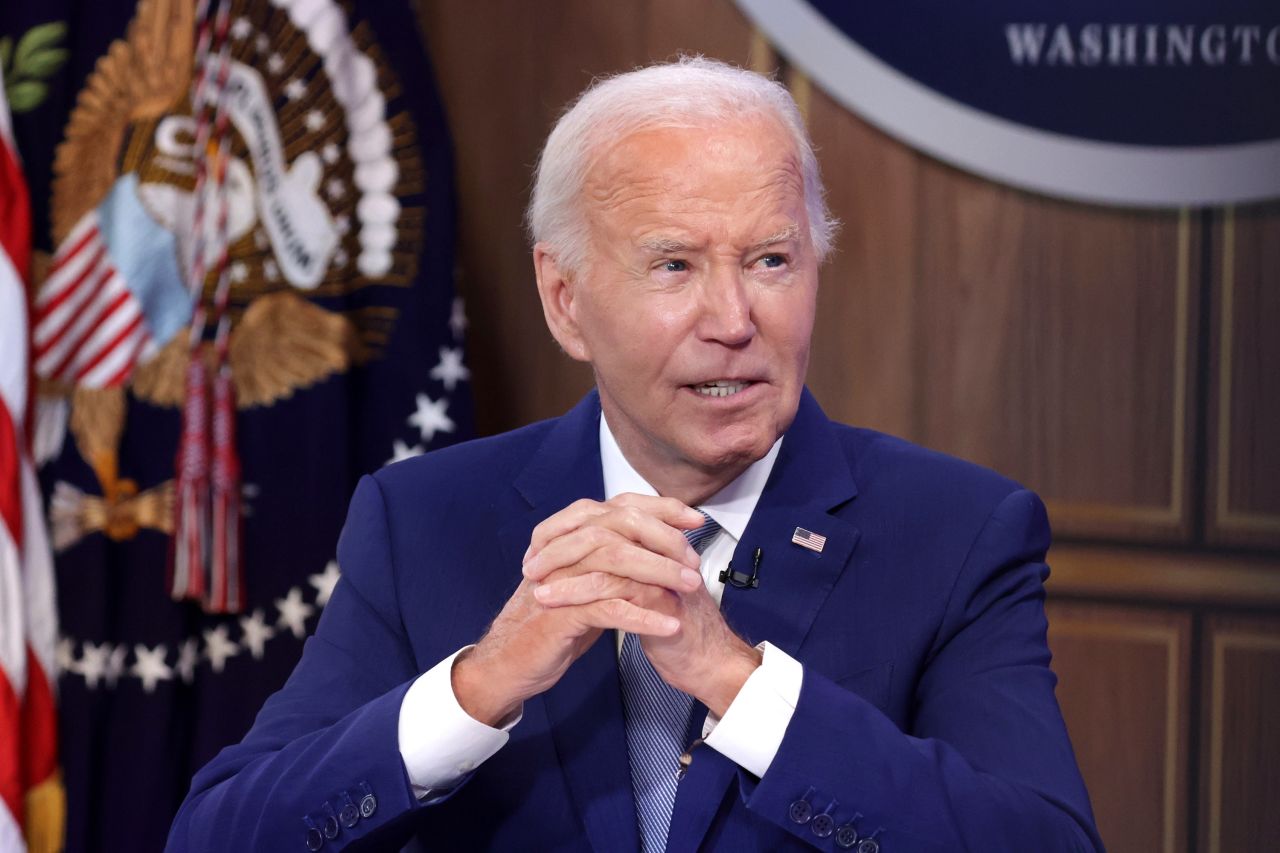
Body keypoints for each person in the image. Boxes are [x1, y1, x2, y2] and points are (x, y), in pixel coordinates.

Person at [166, 57, 1101, 853]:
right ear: (564, 298)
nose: (735, 321)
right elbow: (217, 834)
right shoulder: (425, 520)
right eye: (675, 266)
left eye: (772, 260)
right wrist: (479, 685)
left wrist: (740, 682)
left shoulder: (960, 532)